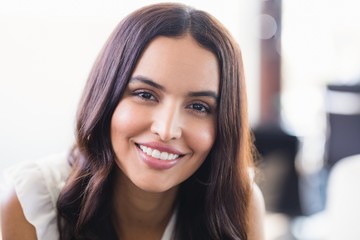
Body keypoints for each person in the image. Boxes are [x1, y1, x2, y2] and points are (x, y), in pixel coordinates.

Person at [1, 3, 265, 240]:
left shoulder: (239, 206)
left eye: (198, 106)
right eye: (145, 94)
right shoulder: (32, 204)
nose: (166, 130)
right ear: (106, 97)